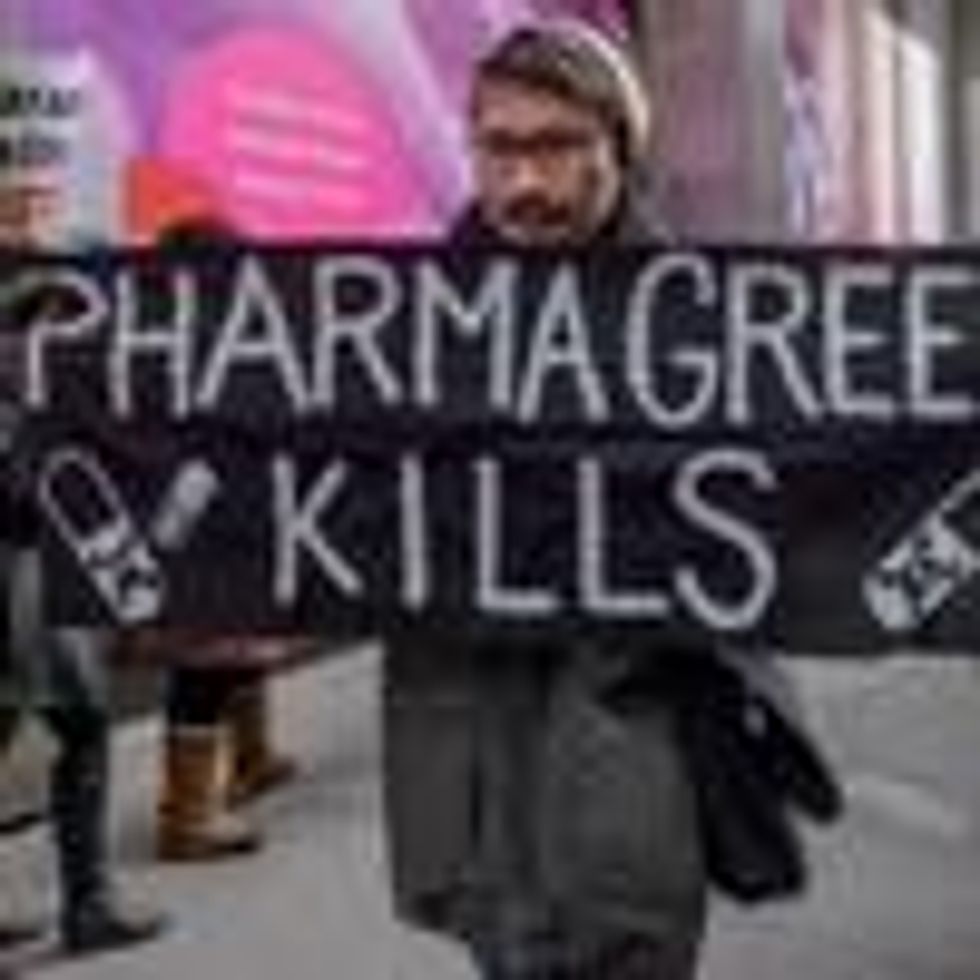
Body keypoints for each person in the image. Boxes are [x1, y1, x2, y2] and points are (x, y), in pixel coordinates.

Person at [382, 22, 707, 980]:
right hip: (470, 736)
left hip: (634, 734)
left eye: (559, 148)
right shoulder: (395, 328)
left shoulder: (711, 323)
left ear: (620, 146)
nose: (526, 184)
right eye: (500, 148)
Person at [0, 252, 168, 955]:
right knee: (81, 726)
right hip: (21, 571)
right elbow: (20, 489)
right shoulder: (27, 377)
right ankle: (88, 905)